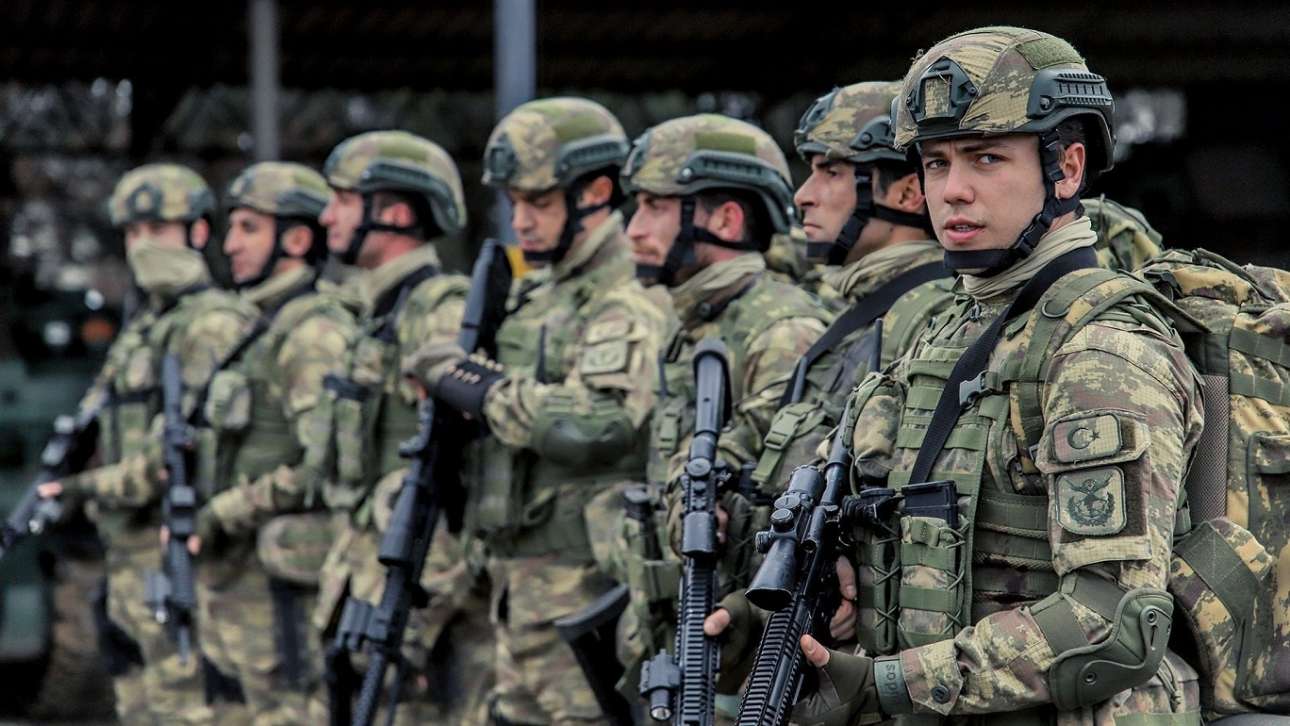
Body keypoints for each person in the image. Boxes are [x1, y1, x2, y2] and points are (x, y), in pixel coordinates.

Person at [791, 26, 1204, 726]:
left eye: (986, 158)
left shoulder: (1102, 351)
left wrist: (893, 684)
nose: (952, 191)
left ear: (1066, 169)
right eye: (936, 162)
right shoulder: (945, 331)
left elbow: (1112, 619)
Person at [407, 96, 668, 725]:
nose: (520, 220)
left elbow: (596, 424)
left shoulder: (627, 294)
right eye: (513, 202)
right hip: (518, 588)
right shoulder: (538, 293)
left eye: (539, 202)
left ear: (596, 193)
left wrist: (483, 390)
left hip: (586, 591)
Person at [42, 163, 255, 724]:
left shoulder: (213, 324)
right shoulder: (142, 330)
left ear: (198, 232)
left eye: (157, 229)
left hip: (187, 560)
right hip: (129, 561)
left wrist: (83, 488)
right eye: (133, 232)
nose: (142, 246)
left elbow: (185, 454)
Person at [306, 130, 493, 725]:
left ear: (394, 213)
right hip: (367, 595)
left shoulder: (438, 313)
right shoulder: (377, 314)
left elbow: (462, 481)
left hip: (421, 623)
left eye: (343, 199)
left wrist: (411, 620)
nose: (327, 215)